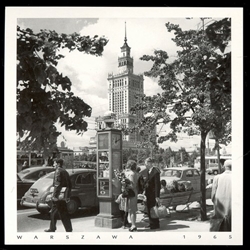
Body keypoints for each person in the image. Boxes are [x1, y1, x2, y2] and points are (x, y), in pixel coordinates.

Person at [45, 159, 72, 232]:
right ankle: (52, 228)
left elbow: (57, 184)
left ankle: (68, 229)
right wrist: (67, 195)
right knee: (54, 212)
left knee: (63, 213)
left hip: (58, 196)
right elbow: (69, 184)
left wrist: (54, 196)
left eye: (54, 163)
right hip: (63, 195)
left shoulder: (58, 171)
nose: (53, 164)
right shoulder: (65, 171)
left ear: (58, 164)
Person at [210, 160, 232, 231]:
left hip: (219, 209)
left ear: (224, 167)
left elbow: (213, 195)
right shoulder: (238, 177)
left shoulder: (217, 177)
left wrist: (216, 205)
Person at [144, 157, 161, 230]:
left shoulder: (155, 172)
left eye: (147, 163)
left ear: (150, 163)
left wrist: (157, 196)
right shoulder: (148, 171)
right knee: (149, 209)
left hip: (153, 194)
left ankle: (155, 224)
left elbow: (157, 185)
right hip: (148, 193)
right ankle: (151, 223)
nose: (145, 164)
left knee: (154, 209)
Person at [124, 160, 139, 232]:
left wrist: (125, 183)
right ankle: (133, 224)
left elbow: (132, 185)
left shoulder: (131, 174)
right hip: (132, 193)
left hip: (131, 193)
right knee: (132, 210)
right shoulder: (133, 173)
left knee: (132, 210)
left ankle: (133, 225)